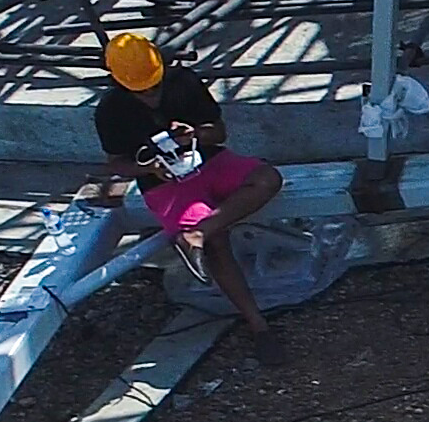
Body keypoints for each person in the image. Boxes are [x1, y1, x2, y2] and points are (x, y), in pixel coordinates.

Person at [89, 31, 284, 349]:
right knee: (217, 244)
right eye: (143, 91)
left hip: (207, 160)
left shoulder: (183, 82)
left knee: (267, 179)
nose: (152, 95)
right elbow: (117, 163)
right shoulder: (110, 109)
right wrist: (150, 168)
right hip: (163, 183)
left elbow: (218, 132)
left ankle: (197, 231)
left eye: (155, 86)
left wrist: (195, 134)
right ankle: (258, 325)